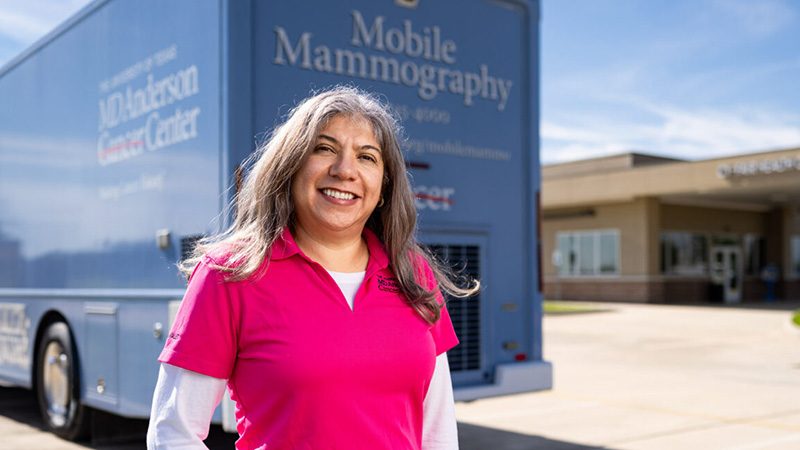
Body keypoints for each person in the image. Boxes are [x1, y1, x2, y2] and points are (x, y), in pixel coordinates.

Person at [146, 86, 478, 450]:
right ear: (291, 167)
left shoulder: (413, 273)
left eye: (367, 157)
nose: (345, 170)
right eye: (324, 149)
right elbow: (173, 433)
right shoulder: (229, 274)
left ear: (383, 187)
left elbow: (439, 432)